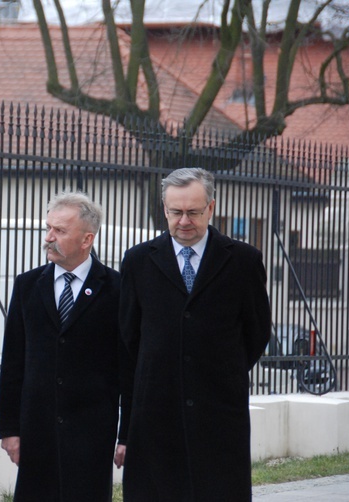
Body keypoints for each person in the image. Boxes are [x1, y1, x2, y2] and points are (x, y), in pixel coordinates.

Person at [117, 167, 272, 501]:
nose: (184, 220)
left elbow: (257, 331)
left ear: (211, 208)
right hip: (156, 413)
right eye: (175, 212)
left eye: (193, 212)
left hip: (218, 412)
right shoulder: (139, 261)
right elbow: (129, 336)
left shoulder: (243, 260)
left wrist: (220, 370)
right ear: (164, 209)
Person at [0, 192, 122, 502]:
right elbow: (13, 361)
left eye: (60, 231)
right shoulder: (27, 285)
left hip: (91, 435)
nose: (49, 237)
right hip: (36, 434)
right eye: (48, 228)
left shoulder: (117, 289)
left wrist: (126, 434)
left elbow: (128, 367)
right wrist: (9, 429)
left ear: (86, 239)